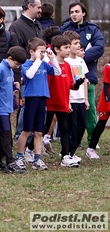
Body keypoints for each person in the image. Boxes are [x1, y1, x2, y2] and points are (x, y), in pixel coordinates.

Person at [60, 2, 105, 149]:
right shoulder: (65, 28)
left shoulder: (92, 29)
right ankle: (72, 141)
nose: (74, 14)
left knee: (89, 109)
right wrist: (72, 55)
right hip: (66, 75)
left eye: (77, 11)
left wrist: (81, 56)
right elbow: (58, 46)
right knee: (69, 111)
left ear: (83, 13)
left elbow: (99, 47)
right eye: (71, 11)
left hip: (87, 74)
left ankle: (92, 140)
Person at [14, 37, 61, 171]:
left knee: (39, 132)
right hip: (31, 99)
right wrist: (38, 60)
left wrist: (52, 59)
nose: (43, 54)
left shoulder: (44, 64)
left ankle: (37, 158)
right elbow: (29, 75)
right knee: (27, 130)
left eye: (44, 51)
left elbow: (58, 72)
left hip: (42, 99)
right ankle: (19, 157)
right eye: (40, 51)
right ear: (32, 52)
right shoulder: (27, 64)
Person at [44, 35, 84, 167]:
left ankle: (66, 156)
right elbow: (47, 86)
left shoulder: (67, 65)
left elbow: (70, 84)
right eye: (65, 47)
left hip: (63, 104)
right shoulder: (50, 66)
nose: (68, 50)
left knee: (65, 129)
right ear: (56, 49)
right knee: (43, 129)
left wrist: (77, 84)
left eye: (69, 47)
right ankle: (29, 150)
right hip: (50, 105)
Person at [9, 0, 43, 141]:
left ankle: (32, 140)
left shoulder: (37, 25)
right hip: (25, 74)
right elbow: (16, 52)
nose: (41, 10)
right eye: (38, 7)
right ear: (30, 6)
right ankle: (21, 137)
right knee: (26, 106)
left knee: (36, 107)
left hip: (38, 73)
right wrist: (18, 75)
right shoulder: (17, 26)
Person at [0, 46, 27, 173]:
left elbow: (4, 85)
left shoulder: (10, 70)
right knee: (6, 134)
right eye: (16, 63)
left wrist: (13, 86)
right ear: (9, 58)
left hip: (7, 107)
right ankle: (10, 161)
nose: (17, 67)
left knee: (1, 135)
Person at [64, 31, 89, 161]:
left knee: (82, 126)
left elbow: (84, 80)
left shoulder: (80, 61)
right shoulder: (66, 61)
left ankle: (72, 152)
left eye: (79, 43)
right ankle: (68, 152)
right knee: (71, 128)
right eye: (75, 43)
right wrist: (67, 101)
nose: (78, 45)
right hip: (71, 99)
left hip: (80, 99)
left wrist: (85, 99)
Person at [87, 55, 110, 159]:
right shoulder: (108, 67)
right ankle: (91, 148)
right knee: (101, 124)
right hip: (107, 101)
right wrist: (107, 99)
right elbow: (106, 85)